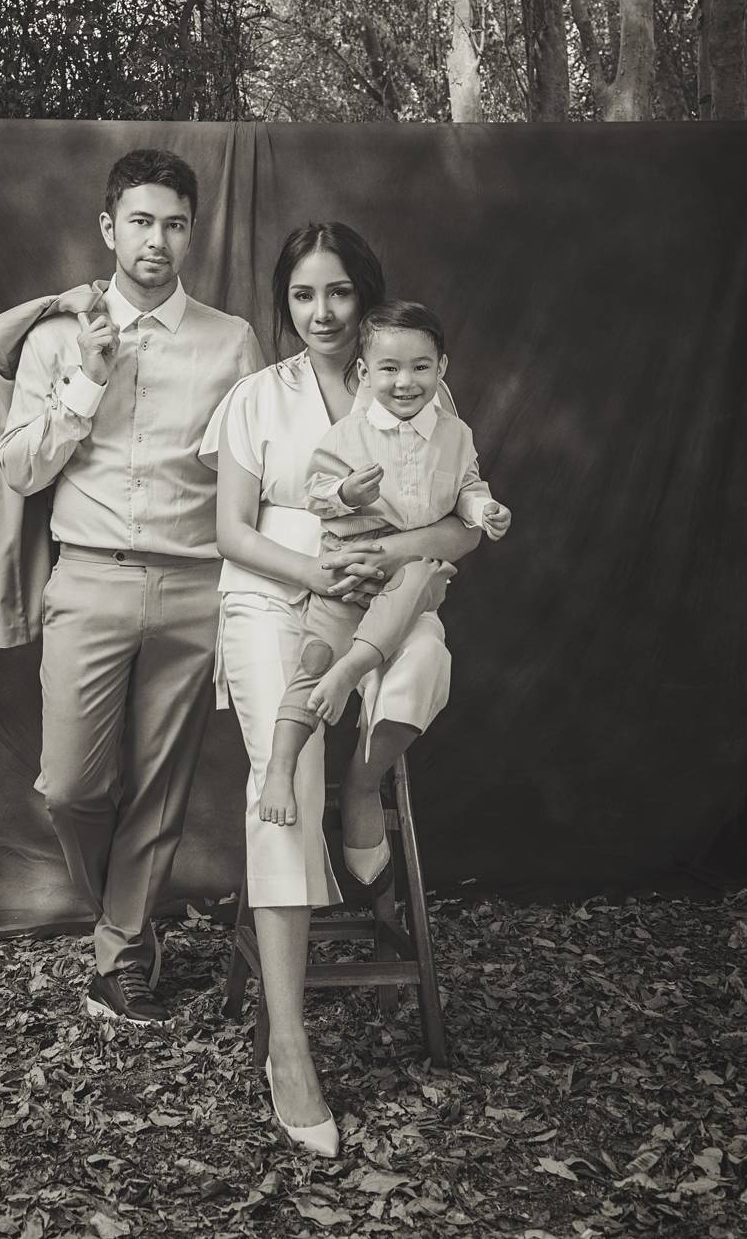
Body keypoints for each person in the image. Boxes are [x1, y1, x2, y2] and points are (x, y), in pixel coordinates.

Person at [201, 225, 485, 1157]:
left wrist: (388, 555)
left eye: (337, 293)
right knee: (283, 778)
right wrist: (319, 573)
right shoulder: (256, 395)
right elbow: (232, 532)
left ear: (366, 299)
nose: (320, 312)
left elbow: (461, 526)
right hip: (273, 589)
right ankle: (289, 1045)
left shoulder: (415, 387)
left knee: (425, 661)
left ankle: (365, 786)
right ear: (284, 302)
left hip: (388, 589)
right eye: (301, 295)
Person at [0, 147, 262, 1025]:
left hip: (195, 586)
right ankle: (124, 918)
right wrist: (86, 382)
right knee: (70, 786)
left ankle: (122, 955)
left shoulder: (232, 341)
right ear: (109, 228)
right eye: (140, 221)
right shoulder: (57, 338)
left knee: (158, 792)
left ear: (192, 233)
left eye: (174, 224)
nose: (157, 240)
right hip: (89, 579)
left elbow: (262, 471)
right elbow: (21, 470)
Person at [259, 300, 512, 832]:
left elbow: (467, 488)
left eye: (421, 367)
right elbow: (316, 493)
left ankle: (353, 674)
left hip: (408, 579)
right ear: (365, 372)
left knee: (424, 572)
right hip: (348, 577)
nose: (405, 381)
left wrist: (483, 510)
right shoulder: (347, 435)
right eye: (389, 368)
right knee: (314, 663)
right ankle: (279, 769)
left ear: (441, 368)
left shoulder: (455, 434)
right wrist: (346, 493)